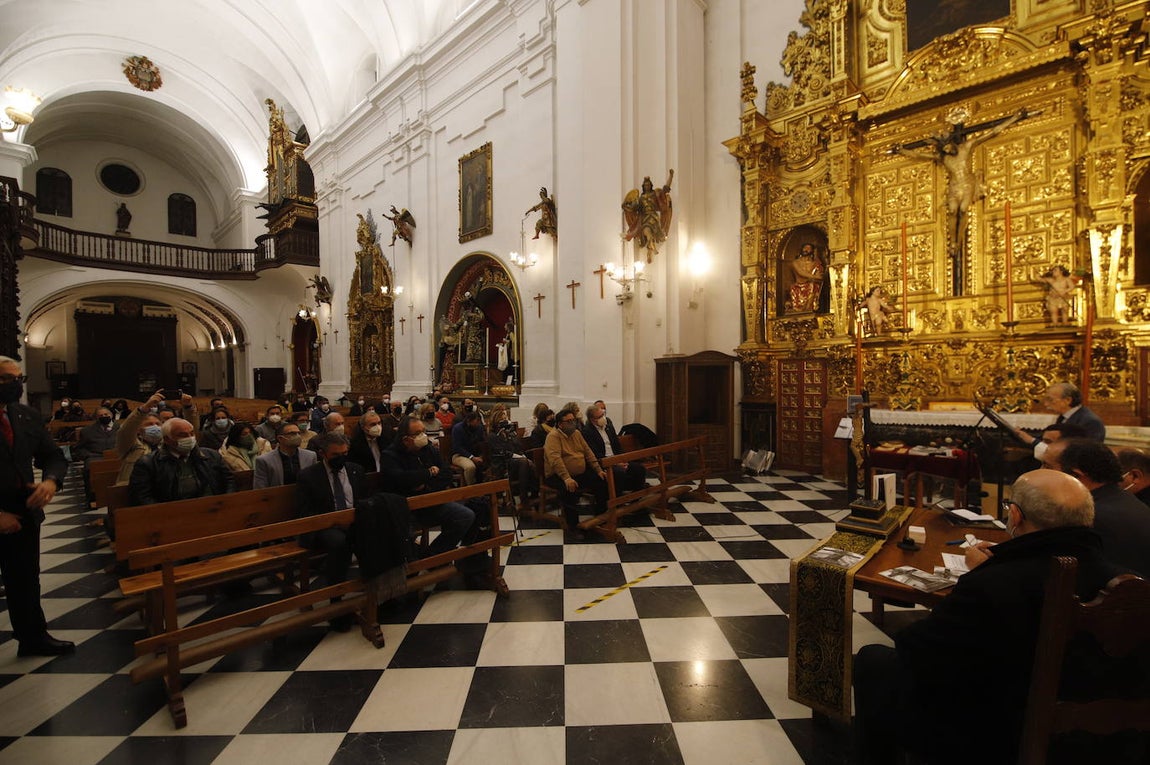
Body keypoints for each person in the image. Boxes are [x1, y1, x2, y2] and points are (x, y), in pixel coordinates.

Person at [853, 469, 1120, 765]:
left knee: (873, 661)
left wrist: (984, 571)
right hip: (1094, 735)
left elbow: (918, 649)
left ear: (1015, 516)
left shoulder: (994, 585)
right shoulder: (1121, 581)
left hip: (996, 728)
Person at [0, 356, 74, 657]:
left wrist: (51, 482)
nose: (15, 385)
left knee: (25, 579)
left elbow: (53, 456)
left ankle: (32, 637)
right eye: (6, 379)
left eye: (19, 378)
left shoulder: (25, 415)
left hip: (23, 510)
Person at [1043, 438, 1150, 577]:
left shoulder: (1084, 518)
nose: (1040, 472)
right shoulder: (1130, 502)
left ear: (1076, 476)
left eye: (1047, 467)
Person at [295, 432, 365, 632]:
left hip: (353, 520)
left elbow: (364, 499)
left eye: (344, 453)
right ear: (323, 454)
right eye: (335, 455)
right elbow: (305, 511)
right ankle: (336, 601)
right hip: (325, 525)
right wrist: (335, 521)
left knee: (375, 535)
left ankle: (378, 591)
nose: (341, 458)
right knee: (340, 544)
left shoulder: (355, 470)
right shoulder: (308, 476)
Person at [379, 416, 476, 559]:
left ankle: (432, 556)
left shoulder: (428, 449)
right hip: (406, 509)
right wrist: (428, 473)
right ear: (405, 439)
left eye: (423, 431)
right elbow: (401, 479)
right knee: (403, 535)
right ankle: (411, 565)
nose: (423, 436)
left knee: (465, 516)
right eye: (418, 433)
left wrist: (426, 485)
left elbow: (447, 473)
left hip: (432, 503)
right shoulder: (390, 455)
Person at [128, 418, 235, 505]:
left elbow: (229, 480)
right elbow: (142, 496)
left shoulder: (211, 455)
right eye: (182, 435)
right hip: (171, 514)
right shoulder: (148, 463)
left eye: (191, 434)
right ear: (167, 439)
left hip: (213, 507)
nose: (190, 438)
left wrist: (226, 502)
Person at [543, 406, 608, 540]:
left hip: (577, 474)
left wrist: (598, 470)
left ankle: (601, 516)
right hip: (557, 475)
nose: (573, 423)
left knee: (601, 480)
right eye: (569, 421)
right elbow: (555, 460)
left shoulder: (576, 433)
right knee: (569, 490)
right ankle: (572, 527)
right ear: (560, 424)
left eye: (574, 420)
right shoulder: (553, 437)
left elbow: (588, 452)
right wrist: (566, 478)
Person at [583, 404, 645, 492]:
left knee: (639, 469)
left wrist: (622, 459)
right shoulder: (587, 432)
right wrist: (615, 463)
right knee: (619, 473)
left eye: (603, 414)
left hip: (617, 459)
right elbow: (595, 454)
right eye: (599, 417)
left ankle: (636, 497)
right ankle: (618, 498)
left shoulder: (608, 425)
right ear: (592, 419)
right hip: (604, 462)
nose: (603, 418)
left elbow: (617, 444)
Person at [622, 170, 674, 262]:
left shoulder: (655, 194)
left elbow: (666, 189)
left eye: (648, 185)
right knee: (647, 232)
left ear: (651, 185)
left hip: (653, 217)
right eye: (645, 185)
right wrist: (626, 206)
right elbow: (634, 207)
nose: (647, 186)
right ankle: (652, 249)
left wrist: (671, 176)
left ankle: (650, 249)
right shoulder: (640, 198)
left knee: (651, 233)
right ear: (643, 186)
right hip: (645, 218)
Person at [253, 421, 316, 488]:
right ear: (280, 438)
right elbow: (260, 487)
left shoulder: (310, 456)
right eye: (292, 433)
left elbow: (315, 482)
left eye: (298, 433)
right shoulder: (264, 460)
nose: (297, 436)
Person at [1040, 382, 1105, 442]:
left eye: (1050, 400)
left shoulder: (1090, 421)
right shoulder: (1063, 417)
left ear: (1068, 400)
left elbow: (1090, 448)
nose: (1046, 404)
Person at [786, 243, 825, 314]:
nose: (806, 250)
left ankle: (809, 308)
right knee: (793, 288)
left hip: (810, 285)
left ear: (812, 251)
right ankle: (798, 309)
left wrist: (818, 275)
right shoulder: (796, 262)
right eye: (805, 248)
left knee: (813, 286)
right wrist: (815, 276)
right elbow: (801, 273)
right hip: (798, 286)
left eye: (808, 248)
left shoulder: (815, 264)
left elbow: (820, 275)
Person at [451, 410, 487, 486]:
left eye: (479, 421)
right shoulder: (458, 428)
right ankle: (471, 488)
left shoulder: (479, 428)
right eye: (476, 421)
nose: (478, 423)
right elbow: (457, 447)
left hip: (476, 453)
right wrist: (472, 457)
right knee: (470, 467)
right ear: (469, 421)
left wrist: (482, 455)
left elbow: (482, 442)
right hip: (459, 455)